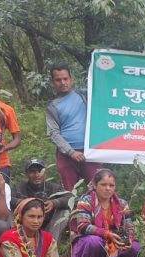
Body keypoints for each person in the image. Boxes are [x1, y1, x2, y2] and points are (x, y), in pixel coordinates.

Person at [70, 169, 140, 257]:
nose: (108, 188)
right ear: (94, 185)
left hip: (115, 241)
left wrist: (129, 239)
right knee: (92, 242)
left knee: (135, 247)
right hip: (95, 241)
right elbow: (82, 226)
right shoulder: (86, 200)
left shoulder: (122, 203)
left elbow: (130, 227)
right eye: (103, 184)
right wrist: (106, 234)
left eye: (111, 185)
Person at [46, 63, 102, 191]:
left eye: (65, 79)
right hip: (66, 156)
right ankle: (71, 212)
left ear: (71, 79)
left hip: (90, 152)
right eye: (58, 80)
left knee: (99, 188)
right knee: (69, 193)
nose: (63, 82)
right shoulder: (52, 106)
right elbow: (54, 133)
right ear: (53, 82)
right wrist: (71, 152)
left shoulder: (84, 95)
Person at [11, 158, 72, 242]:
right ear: (27, 174)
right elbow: (8, 199)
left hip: (48, 223)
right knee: (9, 211)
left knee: (64, 212)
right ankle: (15, 240)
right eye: (32, 172)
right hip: (25, 225)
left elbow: (70, 197)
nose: (37, 175)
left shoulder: (53, 187)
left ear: (45, 173)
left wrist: (54, 203)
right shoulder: (19, 188)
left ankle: (51, 242)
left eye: (40, 171)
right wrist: (21, 202)